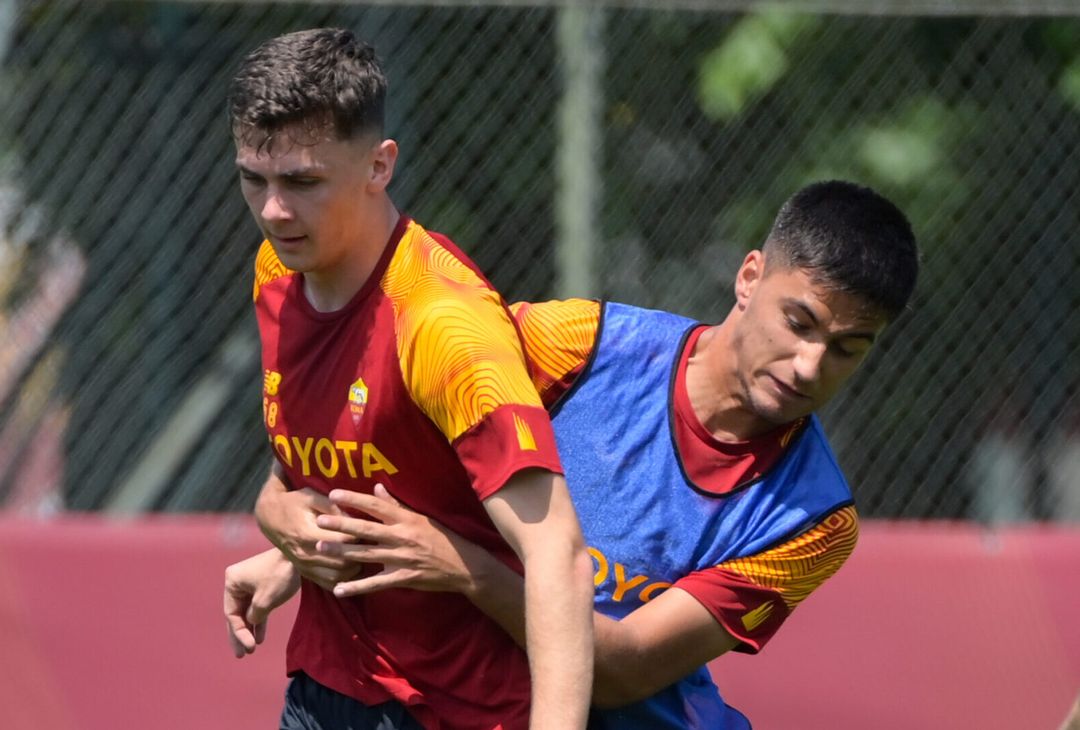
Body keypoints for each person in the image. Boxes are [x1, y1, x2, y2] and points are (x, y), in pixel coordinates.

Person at [229, 180, 920, 728]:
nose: (808, 365)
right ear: (749, 277)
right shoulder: (577, 345)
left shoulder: (814, 521)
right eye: (798, 322)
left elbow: (619, 671)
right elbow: (403, 425)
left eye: (846, 349)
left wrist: (463, 569)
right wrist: (292, 528)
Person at [223, 27, 594, 730]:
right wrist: (284, 541)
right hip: (323, 693)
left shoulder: (443, 324)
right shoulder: (277, 272)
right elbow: (309, 469)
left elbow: (558, 555)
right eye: (254, 178)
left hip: (458, 711)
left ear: (379, 166)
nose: (273, 210)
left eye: (302, 181)